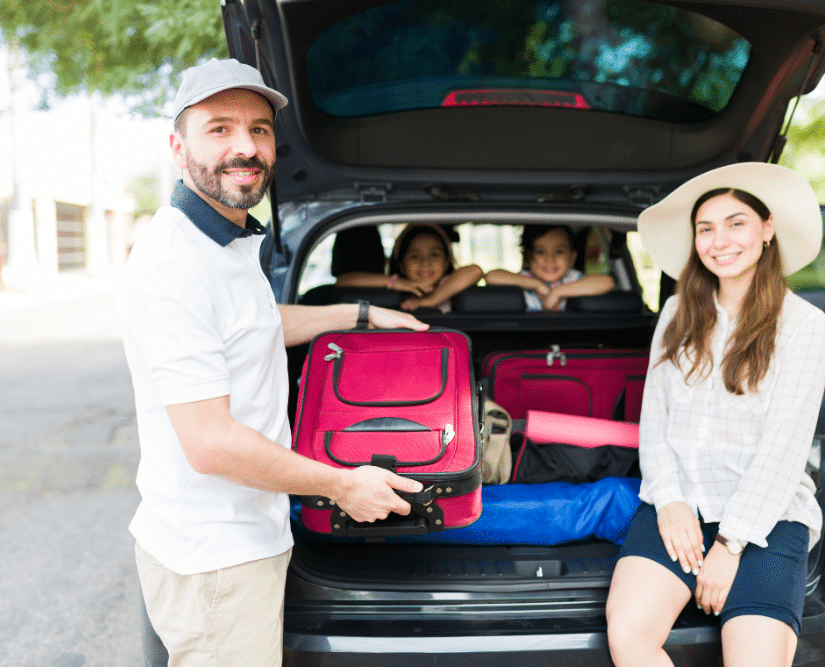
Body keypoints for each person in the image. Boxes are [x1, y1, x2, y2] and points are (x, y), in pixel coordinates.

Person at [116, 58, 429, 667]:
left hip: (242, 538)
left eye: (259, 130)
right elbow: (209, 443)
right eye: (220, 129)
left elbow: (250, 329)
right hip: (216, 559)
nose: (246, 146)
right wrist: (344, 485)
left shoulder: (223, 241)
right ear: (179, 149)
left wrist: (358, 315)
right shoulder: (175, 263)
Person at [604, 162, 825, 667]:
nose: (719, 240)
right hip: (680, 504)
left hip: (767, 516)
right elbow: (654, 423)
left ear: (767, 229)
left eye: (736, 223)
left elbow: (785, 447)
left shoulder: (802, 324)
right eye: (706, 228)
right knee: (629, 636)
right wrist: (668, 502)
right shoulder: (676, 314)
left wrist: (731, 543)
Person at [335, 223, 483, 312]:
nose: (425, 263)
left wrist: (430, 301)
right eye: (414, 256)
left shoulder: (449, 285)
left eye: (434, 255)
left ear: (446, 262)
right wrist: (394, 282)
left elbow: (475, 271)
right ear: (402, 266)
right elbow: (343, 280)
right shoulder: (392, 289)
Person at [484, 224, 614, 311]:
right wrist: (536, 285)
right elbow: (491, 276)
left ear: (572, 258)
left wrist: (557, 293)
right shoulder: (524, 278)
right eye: (540, 252)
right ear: (527, 258)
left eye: (559, 252)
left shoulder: (574, 278)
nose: (550, 259)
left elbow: (607, 282)